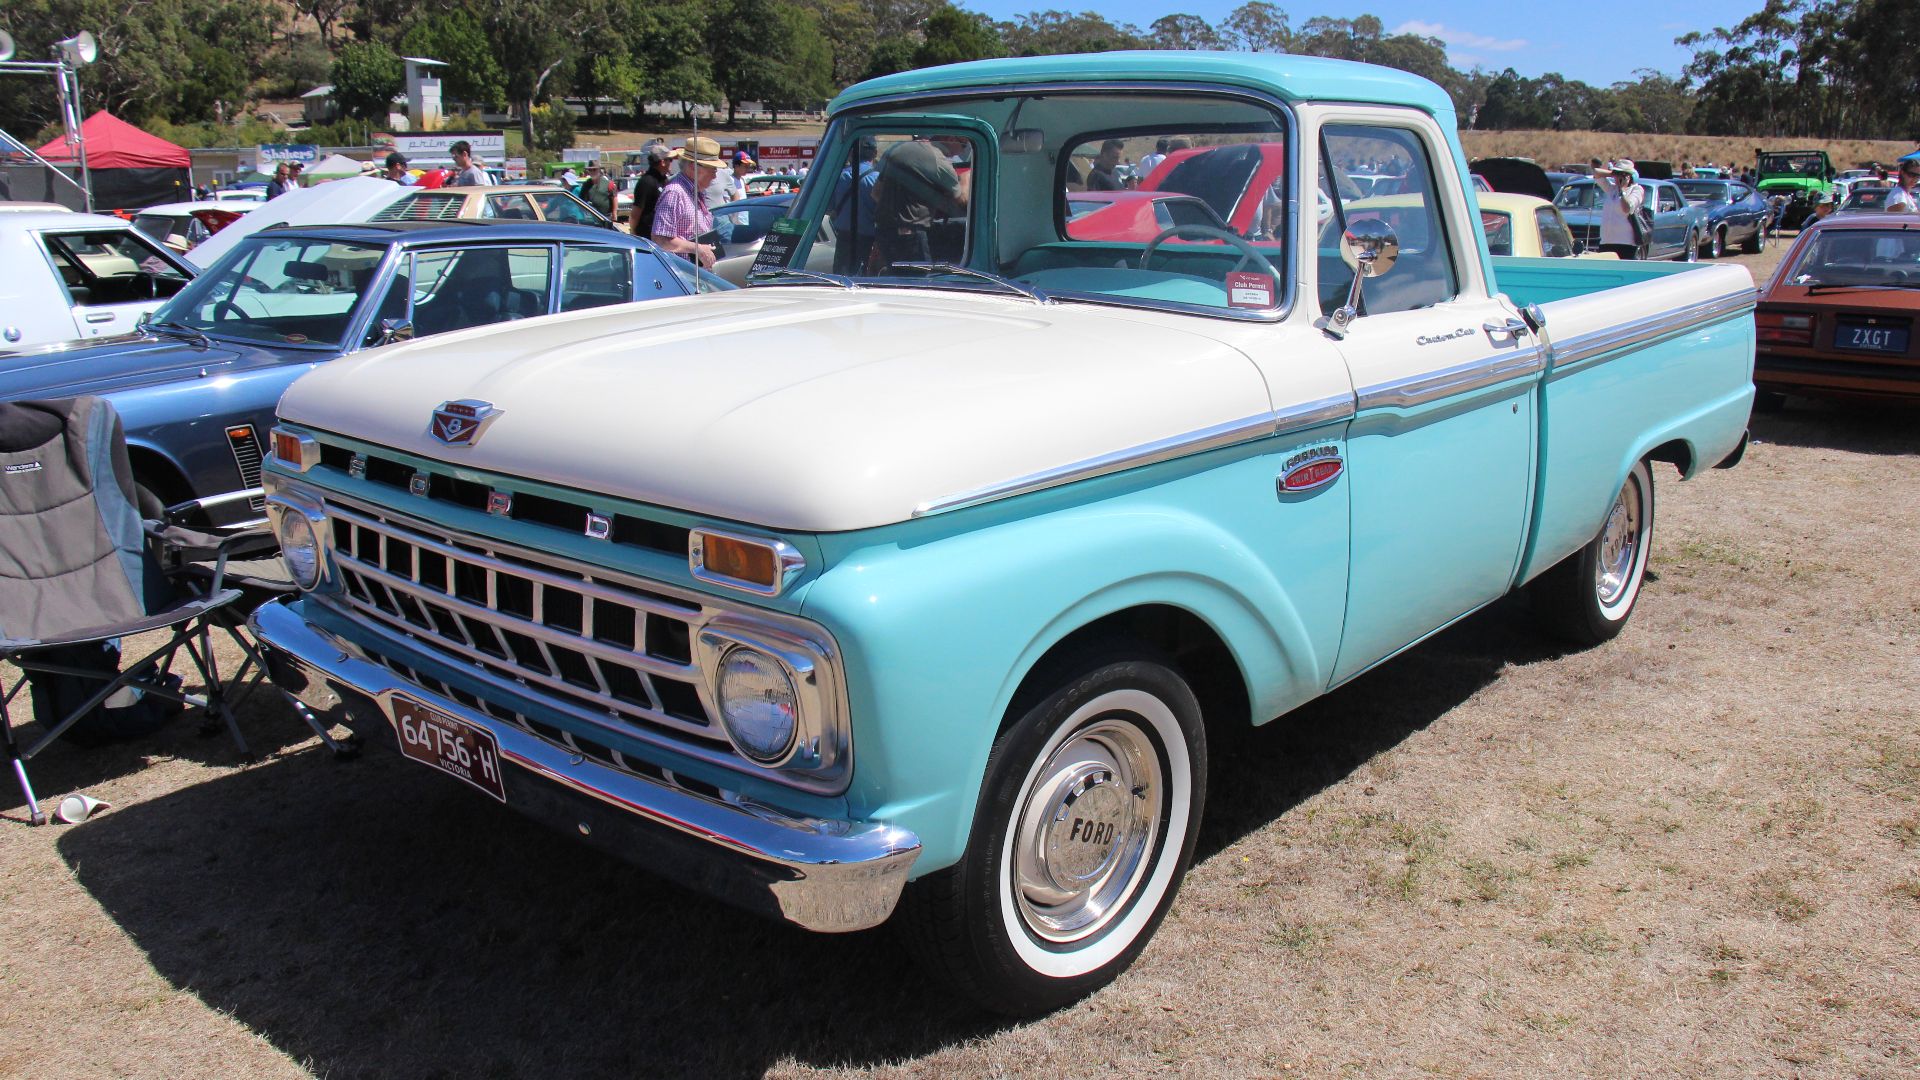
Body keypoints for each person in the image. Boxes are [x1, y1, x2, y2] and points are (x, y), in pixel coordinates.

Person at [872, 135, 970, 271]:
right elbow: (962, 201)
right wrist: (966, 178)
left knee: (894, 279)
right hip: (910, 236)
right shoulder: (938, 161)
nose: (963, 151)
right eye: (964, 146)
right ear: (951, 139)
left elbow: (876, 193)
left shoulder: (897, 149)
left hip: (883, 232)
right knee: (919, 279)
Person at [651, 135, 724, 268]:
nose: (715, 176)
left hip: (697, 272)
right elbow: (660, 240)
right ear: (694, 167)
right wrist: (697, 248)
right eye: (712, 169)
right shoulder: (675, 193)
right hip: (681, 274)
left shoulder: (696, 192)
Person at [830, 137, 880, 276]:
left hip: (843, 239)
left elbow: (830, 207)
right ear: (875, 153)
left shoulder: (839, 177)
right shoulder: (878, 179)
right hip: (868, 241)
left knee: (840, 279)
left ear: (852, 153)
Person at [1595, 158, 1645, 259]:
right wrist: (1613, 173)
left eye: (1621, 175)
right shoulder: (1612, 189)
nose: (1617, 178)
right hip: (1606, 241)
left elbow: (1627, 208)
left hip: (1625, 243)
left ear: (1628, 177)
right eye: (1617, 175)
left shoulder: (1636, 190)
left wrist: (1623, 190)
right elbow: (1596, 173)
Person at [626, 144, 675, 239]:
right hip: (648, 236)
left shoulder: (663, 180)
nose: (671, 163)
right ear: (663, 162)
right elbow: (636, 212)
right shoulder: (646, 182)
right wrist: (634, 233)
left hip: (663, 234)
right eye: (670, 160)